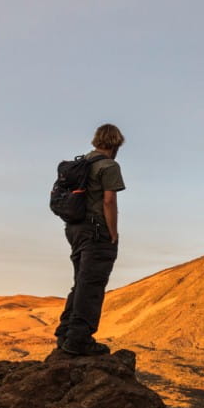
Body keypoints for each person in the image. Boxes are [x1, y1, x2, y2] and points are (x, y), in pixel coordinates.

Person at [55, 124, 126, 355]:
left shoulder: (81, 163)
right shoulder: (109, 166)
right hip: (96, 231)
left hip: (74, 230)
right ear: (116, 144)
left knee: (81, 282)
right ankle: (79, 340)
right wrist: (112, 233)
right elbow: (109, 201)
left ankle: (65, 333)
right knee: (92, 284)